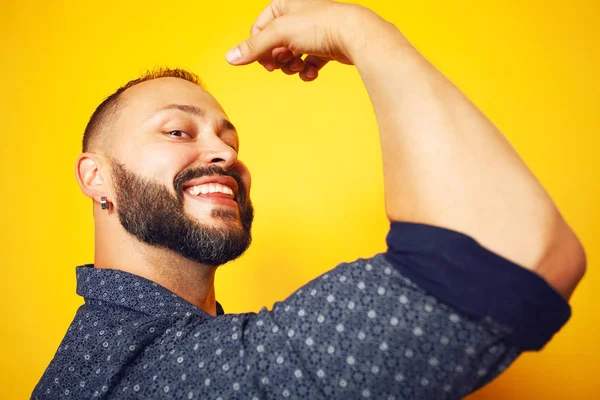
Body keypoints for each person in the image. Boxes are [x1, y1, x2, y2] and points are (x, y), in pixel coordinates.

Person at [32, 0, 586, 398]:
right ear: (95, 177)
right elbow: (516, 252)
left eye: (229, 138)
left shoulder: (193, 347)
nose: (224, 154)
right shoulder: (142, 374)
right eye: (177, 131)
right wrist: (362, 30)